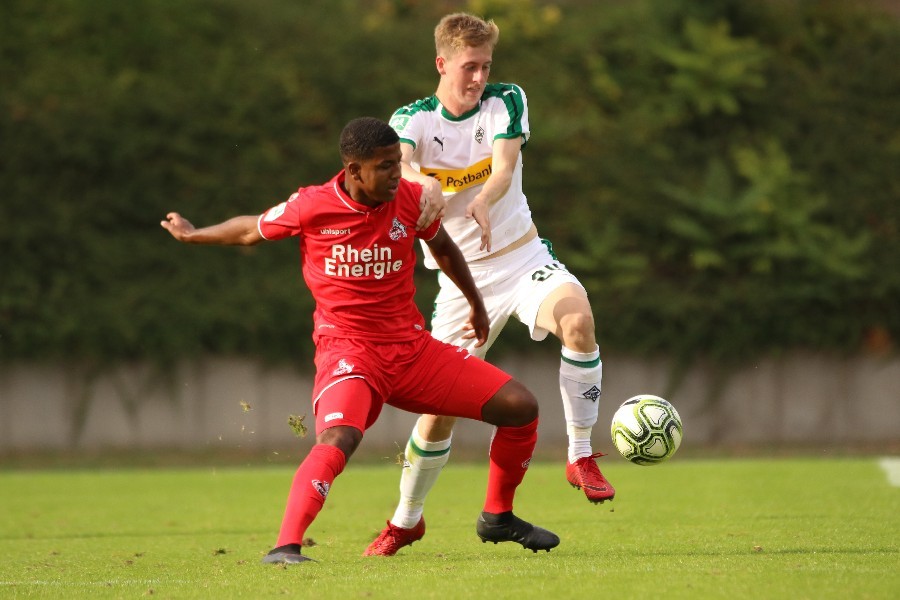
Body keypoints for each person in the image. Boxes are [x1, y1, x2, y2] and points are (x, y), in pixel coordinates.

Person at [160, 117, 559, 564]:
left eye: (398, 163)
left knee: (520, 406)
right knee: (339, 438)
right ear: (354, 170)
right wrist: (194, 235)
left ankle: (498, 516)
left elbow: (443, 247)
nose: (397, 173)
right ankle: (286, 545)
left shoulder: (408, 199)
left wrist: (476, 304)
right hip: (349, 351)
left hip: (412, 351)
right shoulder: (312, 206)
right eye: (387, 166)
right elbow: (252, 228)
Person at [365, 13, 612, 557]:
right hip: (461, 284)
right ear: (442, 63)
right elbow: (400, 157)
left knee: (578, 322)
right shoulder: (412, 119)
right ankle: (406, 520)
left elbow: (504, 165)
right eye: (469, 67)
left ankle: (579, 455)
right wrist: (417, 178)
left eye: (486, 65)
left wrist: (481, 198)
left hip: (523, 260)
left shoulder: (506, 100)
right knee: (438, 414)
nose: (478, 76)